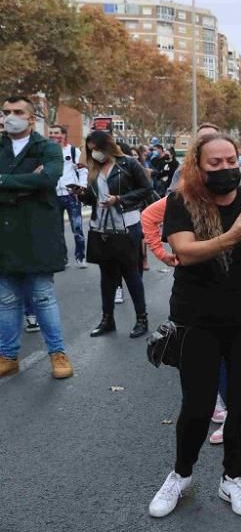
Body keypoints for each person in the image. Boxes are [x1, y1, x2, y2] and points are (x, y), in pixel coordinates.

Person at [148, 133, 241, 518]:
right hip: (197, 318)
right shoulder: (181, 201)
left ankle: (233, 478)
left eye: (231, 161)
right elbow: (185, 252)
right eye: (216, 164)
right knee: (196, 403)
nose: (226, 169)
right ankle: (181, 474)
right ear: (198, 166)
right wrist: (230, 237)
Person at [0, 96, 74, 379]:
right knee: (6, 301)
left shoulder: (48, 148)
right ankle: (8, 356)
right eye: (6, 112)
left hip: (38, 235)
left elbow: (48, 179)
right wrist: (27, 184)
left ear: (32, 119)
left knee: (43, 297)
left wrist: (4, 181)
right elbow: (36, 182)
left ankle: (58, 354)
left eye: (18, 112)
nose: (10, 117)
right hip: (5, 235)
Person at [81, 130, 154, 338]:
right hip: (101, 227)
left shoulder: (128, 164)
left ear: (107, 146)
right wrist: (82, 194)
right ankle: (107, 319)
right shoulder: (93, 168)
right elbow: (92, 198)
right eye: (90, 149)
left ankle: (142, 319)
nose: (94, 153)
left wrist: (119, 199)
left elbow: (147, 189)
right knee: (107, 275)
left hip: (126, 225)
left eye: (96, 148)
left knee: (131, 273)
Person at [48, 124, 89, 269]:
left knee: (77, 228)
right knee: (57, 230)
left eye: (56, 133)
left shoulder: (73, 151)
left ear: (64, 135)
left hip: (71, 196)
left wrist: (82, 188)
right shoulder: (47, 152)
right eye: (51, 133)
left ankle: (80, 257)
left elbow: (83, 170)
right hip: (53, 195)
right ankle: (62, 258)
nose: (53, 135)